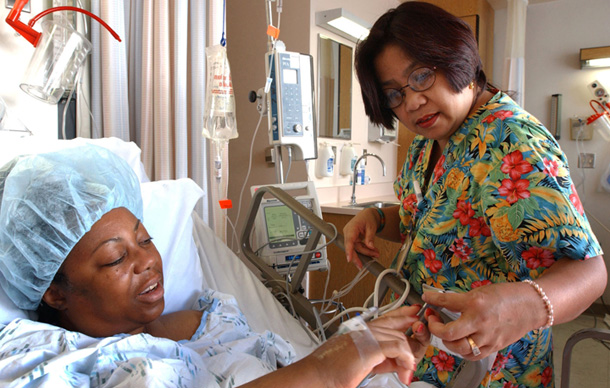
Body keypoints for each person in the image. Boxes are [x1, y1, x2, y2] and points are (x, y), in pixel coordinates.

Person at [0, 144, 430, 388]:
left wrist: (361, 360)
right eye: (115, 257)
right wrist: (325, 369)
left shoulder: (204, 317)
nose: (148, 261)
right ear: (54, 291)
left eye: (146, 239)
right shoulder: (49, 360)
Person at [344, 2, 607, 387]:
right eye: (394, 95)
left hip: (494, 366)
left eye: (421, 76)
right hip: (428, 357)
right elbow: (427, 220)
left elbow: (590, 272)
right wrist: (377, 217)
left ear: (457, 60)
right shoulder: (427, 142)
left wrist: (526, 305)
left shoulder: (510, 140)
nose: (412, 102)